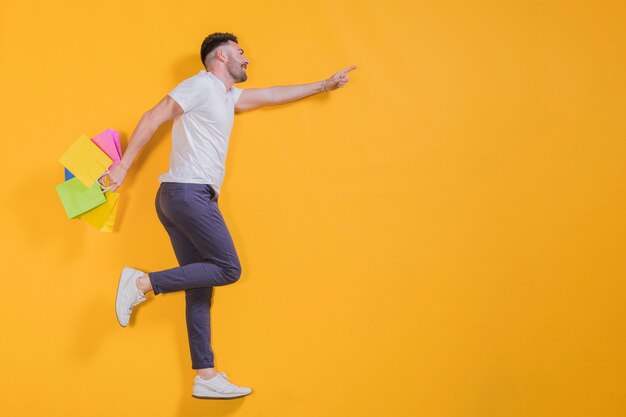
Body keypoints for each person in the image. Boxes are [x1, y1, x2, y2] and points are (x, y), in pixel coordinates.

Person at [109, 32, 356, 399]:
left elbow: (271, 95)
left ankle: (205, 375)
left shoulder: (227, 96)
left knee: (200, 287)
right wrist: (123, 167)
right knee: (229, 268)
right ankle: (142, 283)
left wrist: (323, 84)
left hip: (179, 197)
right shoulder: (201, 85)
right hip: (189, 194)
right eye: (241, 53)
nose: (247, 59)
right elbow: (154, 115)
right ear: (220, 56)